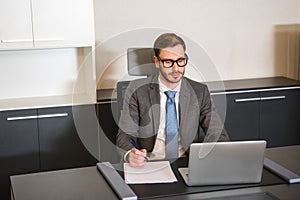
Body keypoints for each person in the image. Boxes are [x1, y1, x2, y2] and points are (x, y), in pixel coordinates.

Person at [116, 33, 229, 167]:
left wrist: (209, 154)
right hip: (150, 164)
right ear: (157, 62)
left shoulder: (200, 91)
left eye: (180, 60)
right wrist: (131, 154)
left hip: (187, 164)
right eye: (168, 62)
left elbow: (217, 133)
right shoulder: (137, 90)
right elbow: (125, 135)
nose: (176, 68)